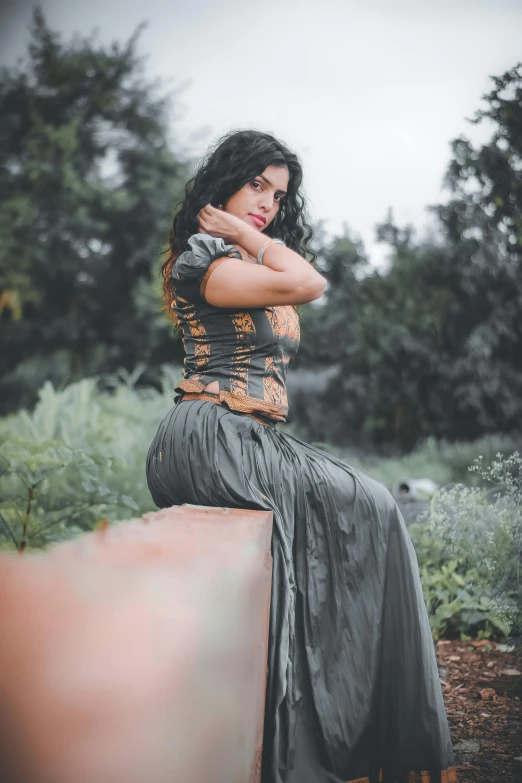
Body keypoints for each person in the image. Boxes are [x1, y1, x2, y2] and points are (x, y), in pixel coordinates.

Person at [146, 129, 456, 783]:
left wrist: (253, 237)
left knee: (371, 509)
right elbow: (310, 281)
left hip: (245, 433)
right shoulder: (205, 258)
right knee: (369, 505)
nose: (267, 203)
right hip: (213, 433)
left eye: (278, 195)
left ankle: (371, 724)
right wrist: (249, 234)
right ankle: (356, 733)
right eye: (256, 184)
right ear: (224, 184)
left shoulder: (244, 262)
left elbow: (295, 286)